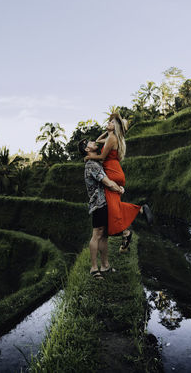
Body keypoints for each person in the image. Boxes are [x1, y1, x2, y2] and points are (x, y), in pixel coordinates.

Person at [84, 113, 153, 252]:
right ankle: (127, 235)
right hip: (115, 170)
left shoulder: (112, 138)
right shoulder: (112, 137)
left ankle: (130, 224)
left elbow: (102, 157)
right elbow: (98, 140)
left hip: (112, 171)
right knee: (114, 206)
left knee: (112, 209)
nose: (107, 123)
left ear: (115, 126)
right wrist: (110, 129)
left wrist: (88, 158)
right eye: (108, 122)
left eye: (110, 122)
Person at [78, 139, 123, 279]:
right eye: (90, 142)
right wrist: (119, 189)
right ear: (86, 149)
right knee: (97, 234)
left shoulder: (94, 162)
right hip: (98, 204)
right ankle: (94, 268)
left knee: (104, 235)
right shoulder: (92, 165)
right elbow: (107, 182)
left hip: (103, 203)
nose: (94, 142)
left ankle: (105, 266)